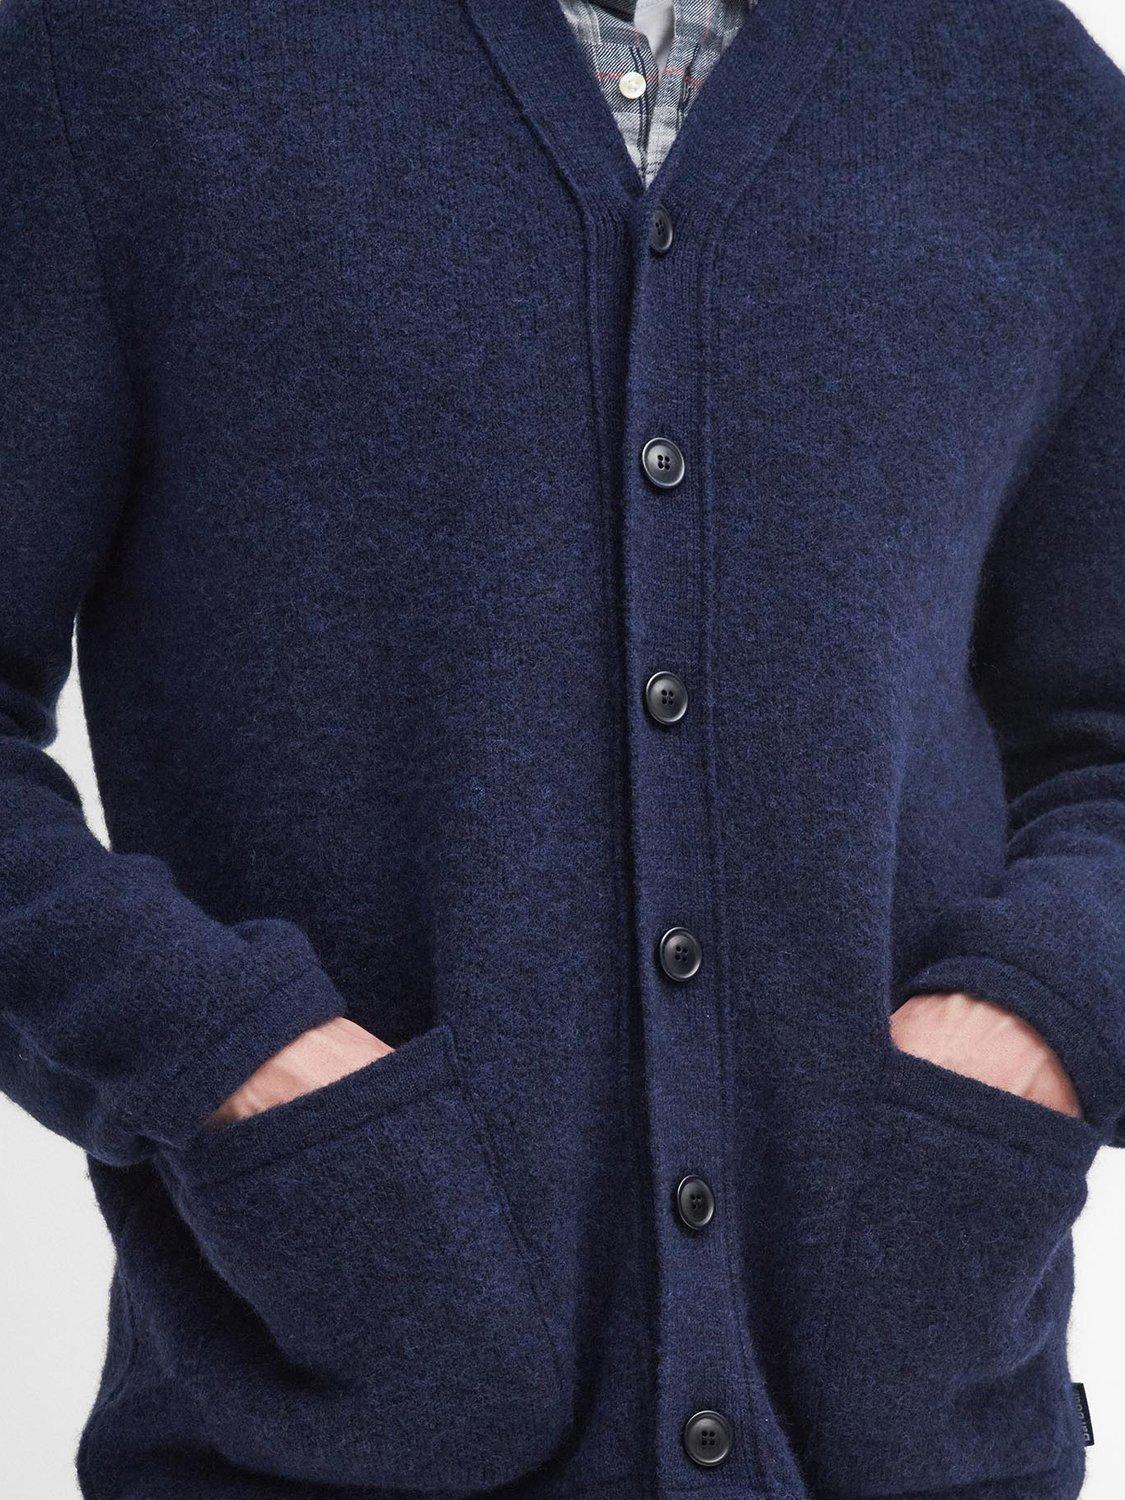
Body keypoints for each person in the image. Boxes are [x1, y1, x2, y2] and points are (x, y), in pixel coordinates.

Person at [0, 0, 1121, 1495]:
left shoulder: (1038, 105)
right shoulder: (115, 59)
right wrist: (229, 1061)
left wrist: (1033, 1029)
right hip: (315, 1435)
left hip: (914, 1438)